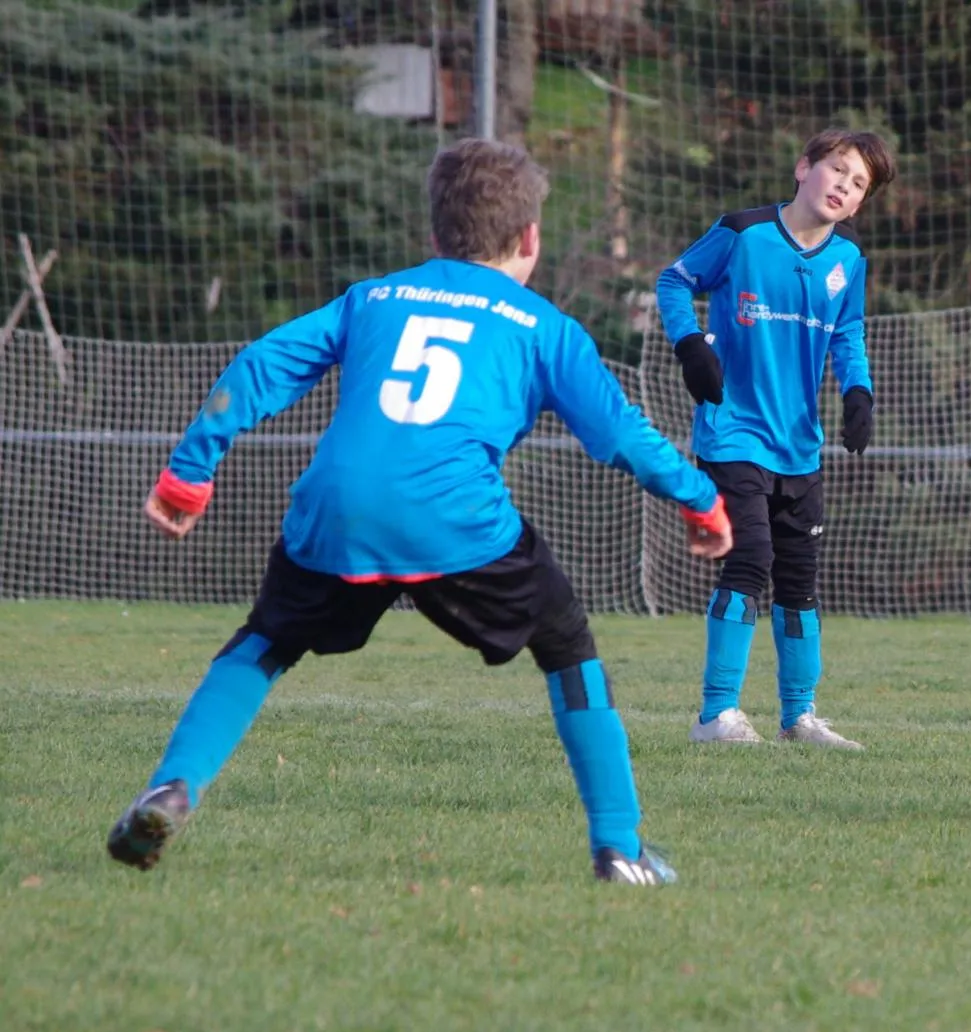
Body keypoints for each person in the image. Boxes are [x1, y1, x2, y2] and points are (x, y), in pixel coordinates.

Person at [106, 139, 733, 884]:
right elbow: (620, 435)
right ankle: (620, 848)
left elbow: (259, 365)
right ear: (529, 237)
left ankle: (172, 787)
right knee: (567, 644)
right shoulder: (544, 327)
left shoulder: (373, 298)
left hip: (336, 511)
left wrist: (188, 474)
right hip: (456, 518)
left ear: (435, 234)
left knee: (266, 640)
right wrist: (700, 499)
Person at [654, 129, 897, 751]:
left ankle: (799, 719)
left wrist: (859, 392)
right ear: (803, 167)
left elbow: (848, 333)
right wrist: (690, 345)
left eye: (859, 184)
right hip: (732, 431)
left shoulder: (849, 261)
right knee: (750, 559)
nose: (844, 186)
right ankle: (716, 716)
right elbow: (674, 281)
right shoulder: (742, 233)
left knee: (799, 578)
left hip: (800, 444)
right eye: (837, 169)